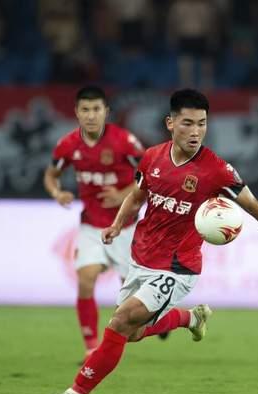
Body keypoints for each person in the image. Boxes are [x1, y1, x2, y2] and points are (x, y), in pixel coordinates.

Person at [44, 88, 258, 394]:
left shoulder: (217, 171)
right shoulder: (152, 157)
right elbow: (137, 197)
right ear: (170, 123)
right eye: (188, 123)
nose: (196, 131)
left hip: (177, 267)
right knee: (132, 333)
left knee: (120, 321)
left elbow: (252, 205)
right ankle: (190, 319)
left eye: (202, 123)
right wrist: (116, 224)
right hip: (141, 258)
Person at [43, 85, 182, 361]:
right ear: (77, 112)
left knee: (137, 306)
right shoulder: (68, 145)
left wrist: (122, 195)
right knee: (86, 279)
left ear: (106, 112)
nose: (91, 115)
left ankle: (164, 320)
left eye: (96, 109)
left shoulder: (124, 142)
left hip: (126, 229)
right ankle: (91, 347)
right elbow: (50, 175)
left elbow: (152, 173)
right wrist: (57, 193)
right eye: (85, 110)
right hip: (91, 227)